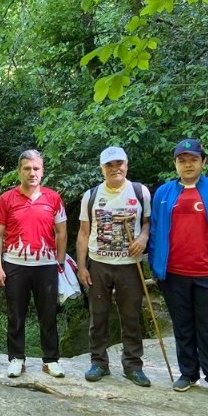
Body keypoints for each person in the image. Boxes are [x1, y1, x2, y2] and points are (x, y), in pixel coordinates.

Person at [148, 138, 208, 400]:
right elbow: (155, 231)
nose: (187, 164)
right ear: (175, 164)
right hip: (174, 274)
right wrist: (156, 267)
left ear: (203, 162)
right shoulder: (164, 194)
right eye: (182, 160)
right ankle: (188, 373)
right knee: (182, 326)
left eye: (193, 159)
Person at [76, 146, 152, 387]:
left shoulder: (140, 192)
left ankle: (133, 365)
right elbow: (83, 232)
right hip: (99, 263)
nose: (114, 168)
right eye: (109, 165)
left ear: (126, 165)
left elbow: (148, 223)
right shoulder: (91, 195)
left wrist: (142, 239)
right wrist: (81, 266)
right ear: (102, 169)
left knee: (131, 316)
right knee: (98, 316)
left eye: (119, 163)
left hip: (130, 265)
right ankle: (99, 362)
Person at [0, 150, 67, 379]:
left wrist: (60, 261)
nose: (31, 173)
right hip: (15, 264)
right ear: (19, 171)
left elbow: (62, 231)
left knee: (48, 313)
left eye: (36, 168)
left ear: (42, 171)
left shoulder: (53, 198)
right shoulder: (7, 199)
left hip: (46, 264)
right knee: (16, 314)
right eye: (27, 168)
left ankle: (51, 360)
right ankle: (16, 359)